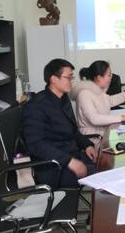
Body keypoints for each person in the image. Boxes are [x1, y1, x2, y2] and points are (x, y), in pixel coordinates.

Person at [22, 58, 97, 188]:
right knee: (103, 172)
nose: (71, 81)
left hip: (71, 156)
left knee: (107, 162)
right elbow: (35, 144)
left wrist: (87, 145)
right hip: (54, 167)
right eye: (68, 77)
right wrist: (69, 161)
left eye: (72, 77)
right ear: (53, 79)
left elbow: (73, 131)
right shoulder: (36, 106)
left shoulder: (63, 99)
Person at [70, 60, 125, 138]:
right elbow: (94, 118)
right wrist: (122, 118)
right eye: (109, 75)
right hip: (93, 138)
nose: (111, 78)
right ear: (99, 78)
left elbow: (110, 101)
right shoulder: (84, 94)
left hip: (102, 133)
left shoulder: (98, 91)